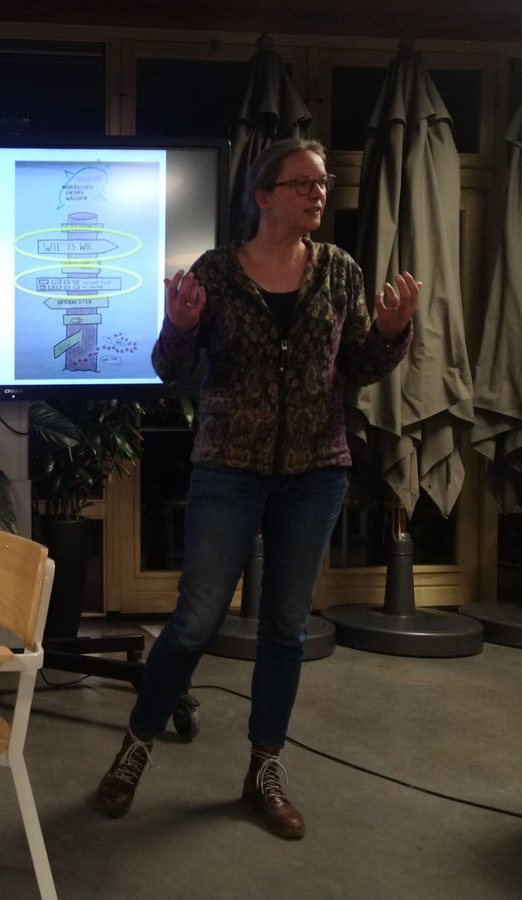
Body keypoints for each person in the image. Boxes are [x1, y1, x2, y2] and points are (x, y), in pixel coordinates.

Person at [96, 138, 418, 839]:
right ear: (263, 196)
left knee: (285, 630)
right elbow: (170, 368)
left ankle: (264, 769)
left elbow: (360, 364)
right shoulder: (215, 271)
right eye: (302, 183)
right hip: (228, 469)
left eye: (322, 182)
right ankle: (136, 745)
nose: (318, 193)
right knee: (195, 622)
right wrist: (179, 325)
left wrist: (393, 333)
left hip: (316, 472)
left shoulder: (340, 270)